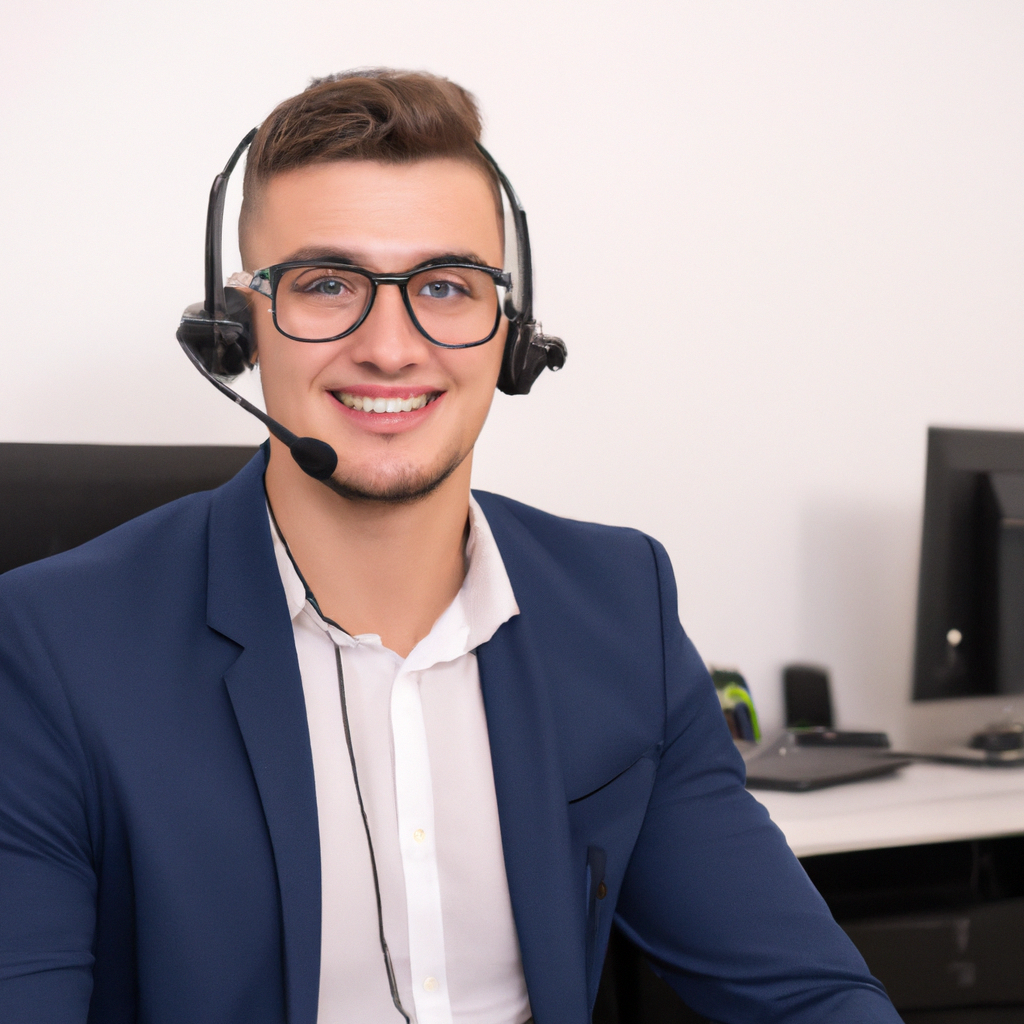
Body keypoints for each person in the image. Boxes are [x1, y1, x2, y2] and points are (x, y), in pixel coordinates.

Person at [0, 70, 901, 1024]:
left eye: (444, 286)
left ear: (513, 332)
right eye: (327, 284)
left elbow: (807, 992)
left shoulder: (618, 607)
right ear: (237, 326)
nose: (391, 347)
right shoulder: (55, 648)